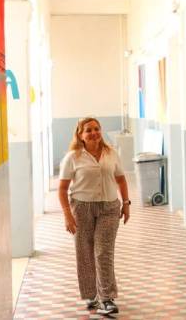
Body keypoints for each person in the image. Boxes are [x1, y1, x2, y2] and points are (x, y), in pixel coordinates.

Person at [58, 117, 131, 315]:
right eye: (88, 130)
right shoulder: (73, 157)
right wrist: (67, 214)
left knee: (103, 252)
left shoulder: (111, 153)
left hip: (109, 207)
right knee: (85, 252)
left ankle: (106, 298)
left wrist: (126, 203)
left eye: (96, 129)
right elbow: (62, 189)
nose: (93, 133)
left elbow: (121, 180)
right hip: (82, 209)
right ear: (80, 135)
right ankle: (91, 295)